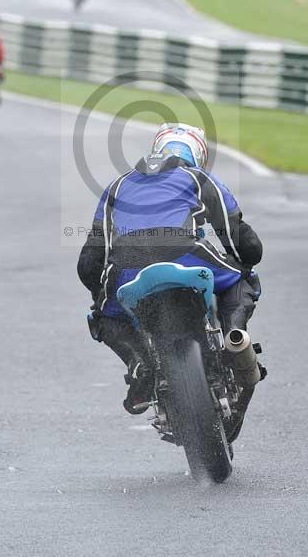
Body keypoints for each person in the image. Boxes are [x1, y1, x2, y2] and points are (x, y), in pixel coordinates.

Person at [78, 123, 264, 414]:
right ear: (198, 155)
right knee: (244, 278)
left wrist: (100, 292)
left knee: (100, 316)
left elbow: (89, 262)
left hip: (127, 264)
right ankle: (234, 338)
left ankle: (138, 363)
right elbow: (241, 240)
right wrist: (243, 259)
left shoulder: (117, 186)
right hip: (186, 252)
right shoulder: (199, 178)